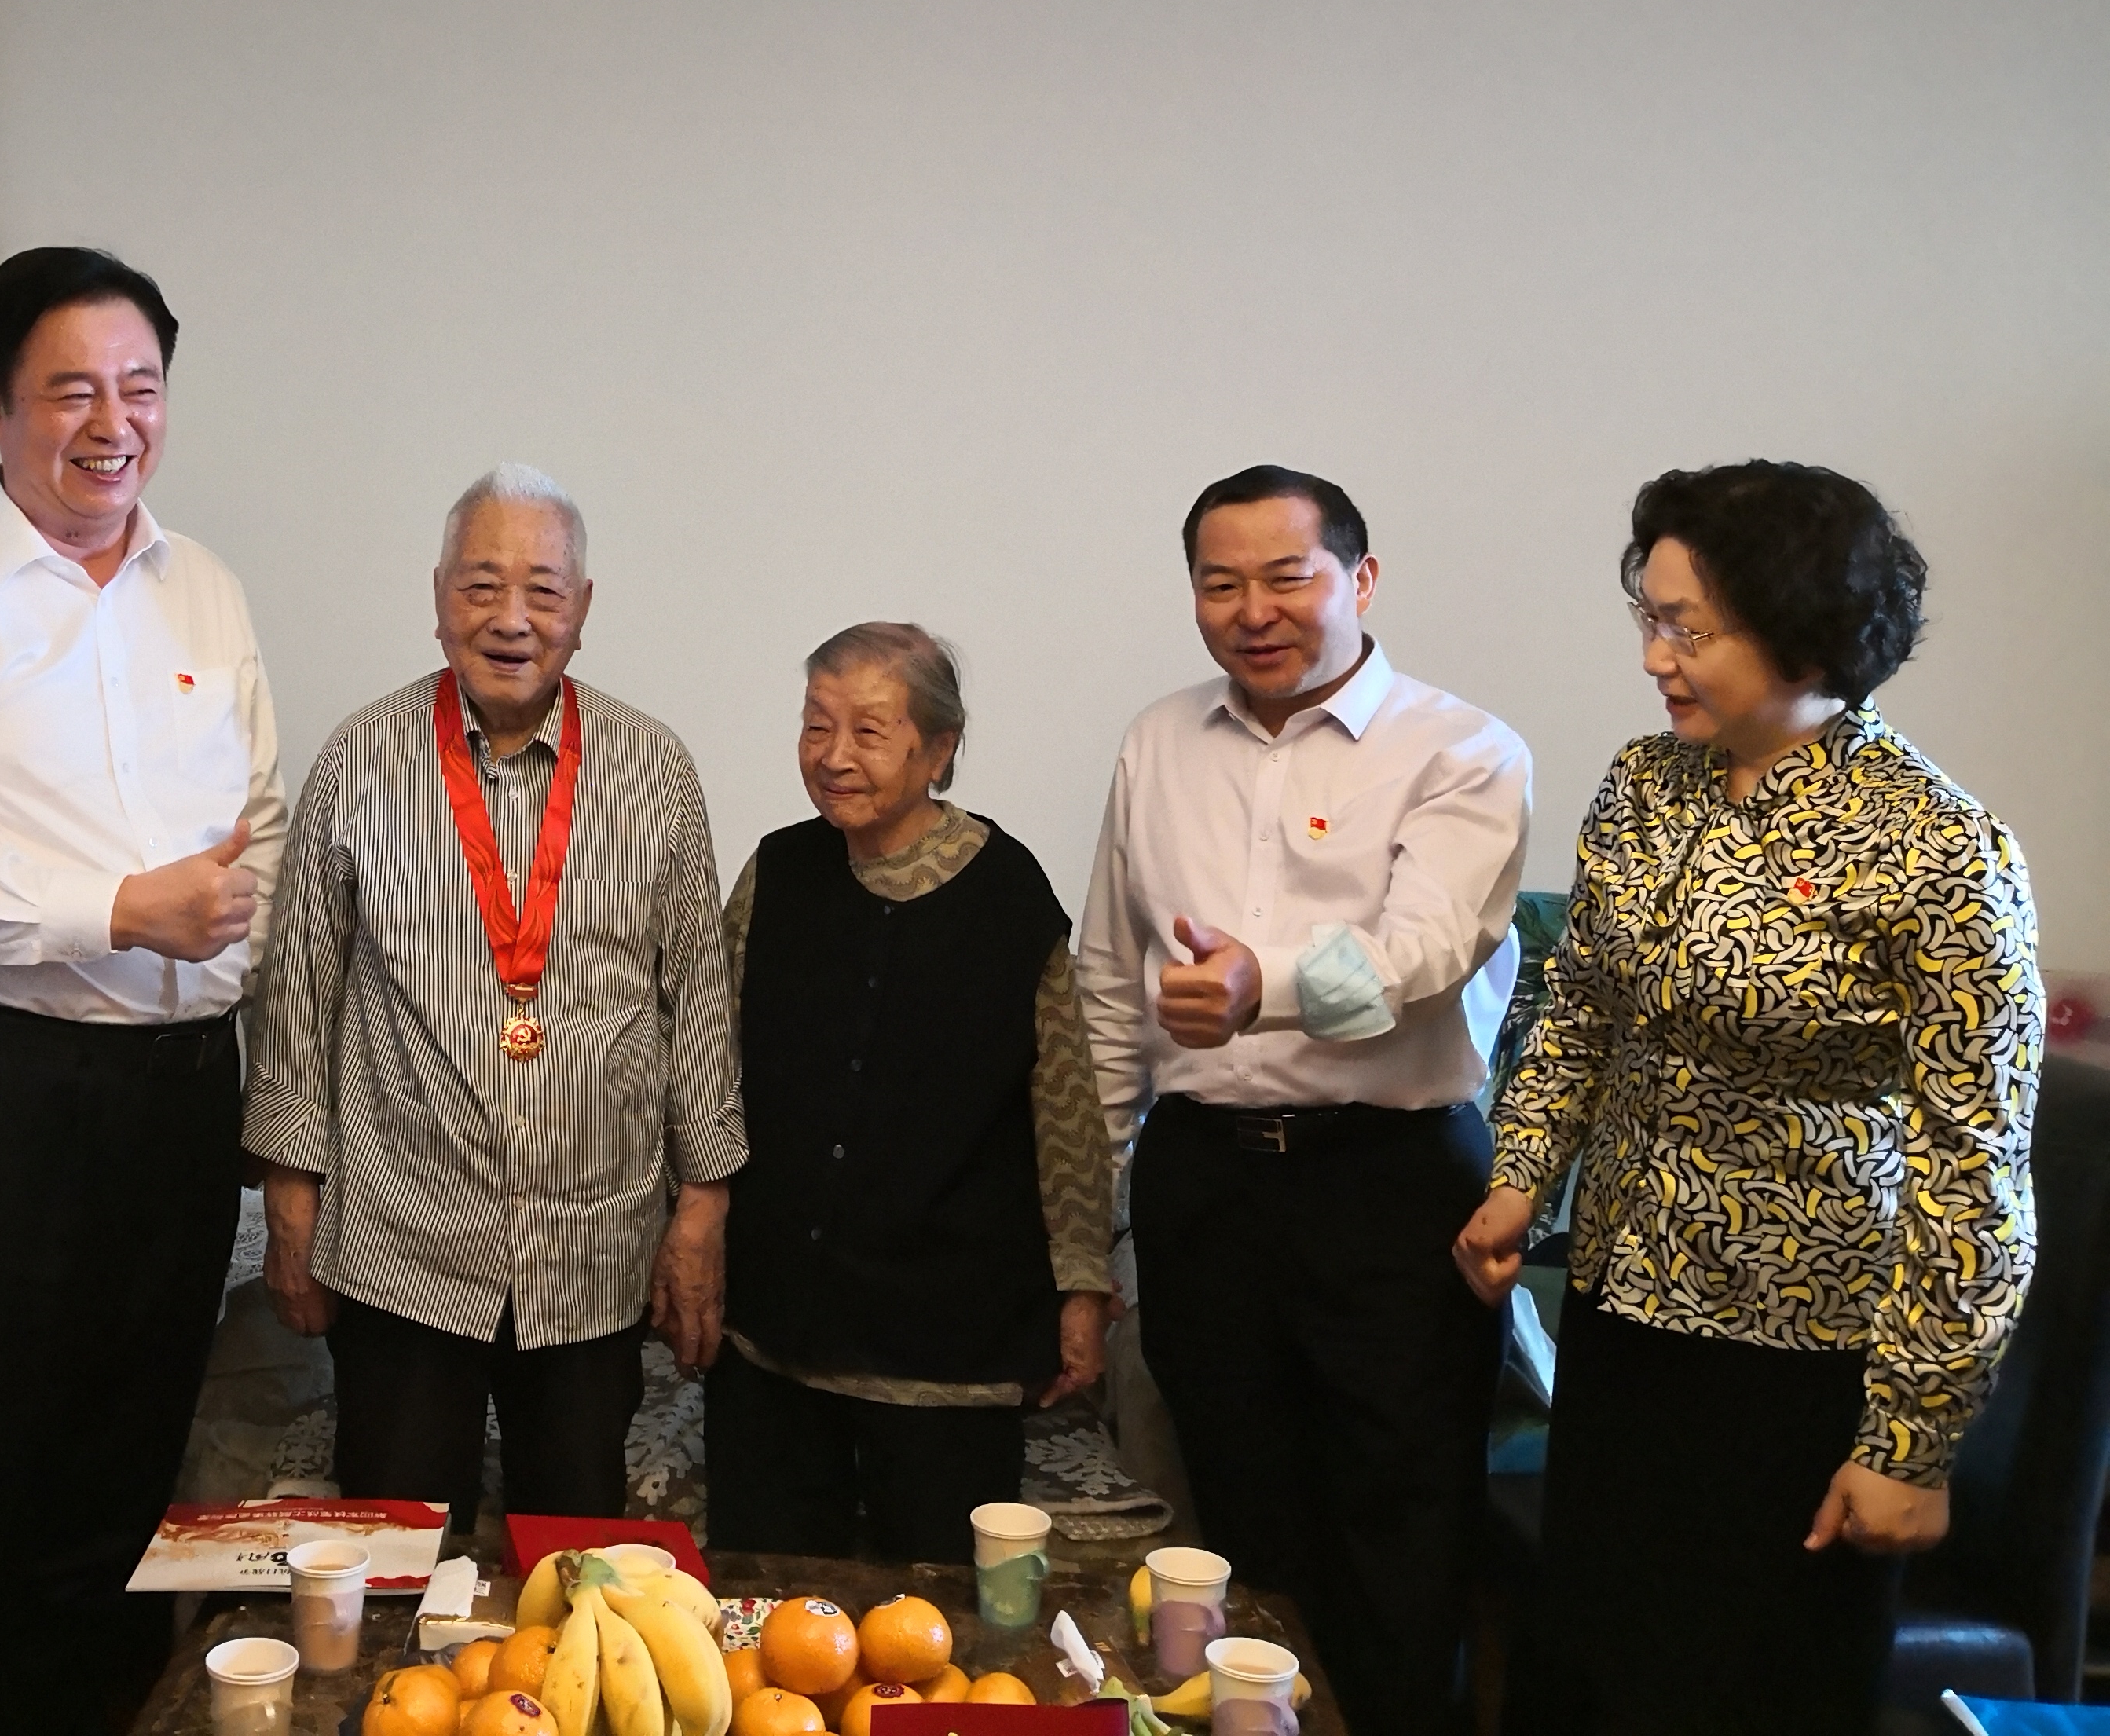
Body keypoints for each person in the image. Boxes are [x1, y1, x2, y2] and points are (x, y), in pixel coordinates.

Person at [1457, 461, 2041, 1736]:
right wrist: (1518, 1179)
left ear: (1800, 631)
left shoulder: (1937, 848)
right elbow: (1583, 1007)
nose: (1654, 657)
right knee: (1586, 1676)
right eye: (1649, 619)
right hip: (1625, 1314)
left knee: (1742, 1695)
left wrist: (1910, 1442)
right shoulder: (1644, 784)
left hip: (1802, 1361)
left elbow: (1975, 1168)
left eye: (1689, 628)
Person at [0, 247, 286, 1736]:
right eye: (72, 391)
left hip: (175, 1095)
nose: (114, 423)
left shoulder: (202, 589)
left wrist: (220, 953)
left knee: (128, 1472)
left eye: (139, 388)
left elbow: (260, 822)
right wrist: (118, 911)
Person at [1078, 464, 1530, 1736]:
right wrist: (1085, 1221)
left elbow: (1422, 951)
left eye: (1287, 577)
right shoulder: (1157, 742)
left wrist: (1257, 986)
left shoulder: (1460, 748)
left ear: (1360, 578)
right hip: (1203, 1182)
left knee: (1402, 1530)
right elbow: (1110, 983)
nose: (1253, 610)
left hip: (1391, 1186)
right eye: (1220, 584)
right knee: (1232, 1523)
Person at [243, 463, 742, 1536]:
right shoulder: (358, 760)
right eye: (480, 586)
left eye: (542, 591)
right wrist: (290, 1196)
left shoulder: (655, 771)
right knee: (395, 1566)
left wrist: (701, 1208)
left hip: (592, 1254)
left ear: (583, 609)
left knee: (577, 1569)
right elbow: (298, 997)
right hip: (403, 1246)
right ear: (438, 599)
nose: (510, 619)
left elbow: (698, 1001)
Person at [706, 621, 1116, 1560]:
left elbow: (1063, 1107)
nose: (832, 756)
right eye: (815, 725)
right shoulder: (776, 871)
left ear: (937, 749)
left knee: (937, 1616)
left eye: (867, 730)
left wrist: (1081, 1285)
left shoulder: (1007, 894)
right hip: (776, 1333)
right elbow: (707, 1063)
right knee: (763, 1602)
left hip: (950, 1343)